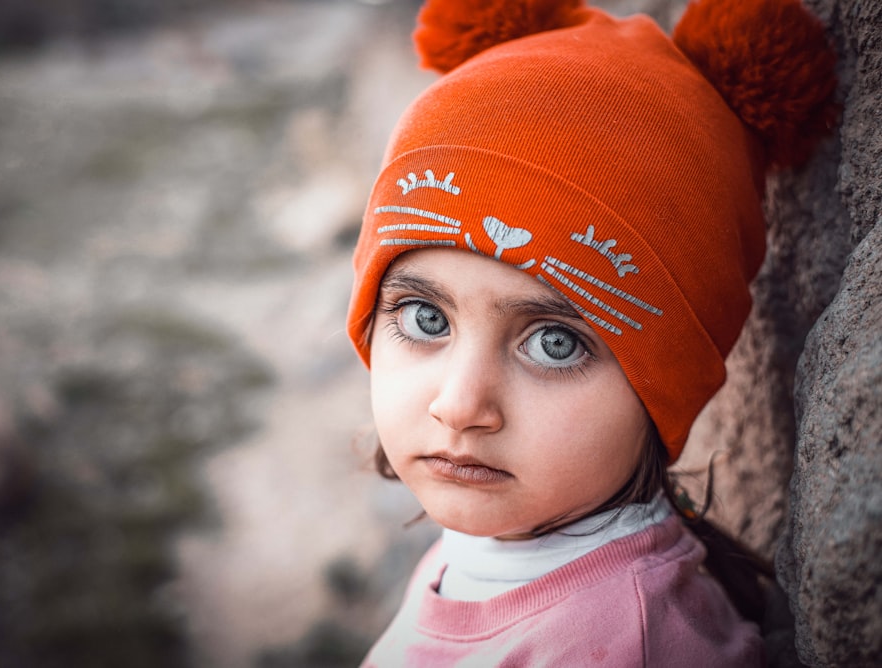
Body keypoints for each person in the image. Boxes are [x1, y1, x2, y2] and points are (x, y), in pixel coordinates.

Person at [344, 0, 838, 664]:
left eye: (555, 342)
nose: (460, 405)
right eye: (427, 319)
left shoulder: (622, 645)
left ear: (665, 390)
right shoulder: (492, 543)